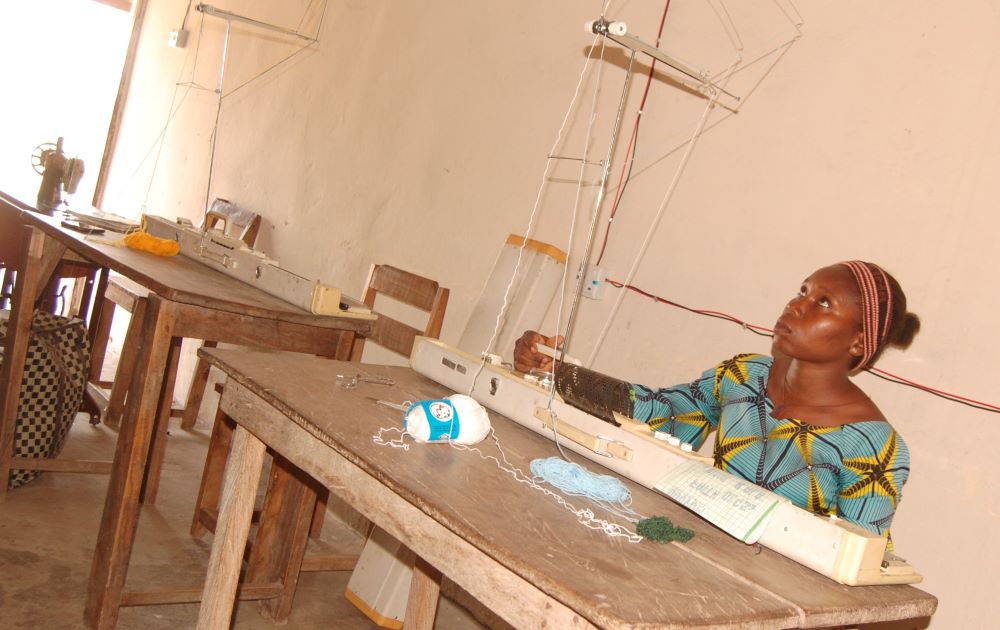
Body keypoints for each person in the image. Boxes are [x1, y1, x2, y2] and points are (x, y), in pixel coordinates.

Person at [514, 261, 920, 546]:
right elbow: (660, 413)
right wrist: (555, 372)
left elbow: (854, 563)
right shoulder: (745, 376)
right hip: (693, 555)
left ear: (858, 342)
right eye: (803, 291)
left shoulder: (873, 446)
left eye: (823, 303)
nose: (796, 305)